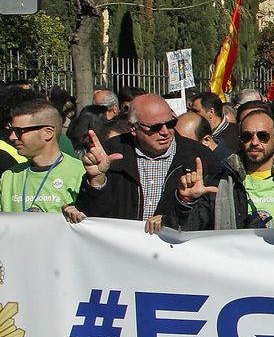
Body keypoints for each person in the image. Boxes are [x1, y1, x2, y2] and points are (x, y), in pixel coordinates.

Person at [77, 93, 225, 233]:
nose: (165, 132)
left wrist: (175, 214)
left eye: (171, 123)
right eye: (155, 127)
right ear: (132, 128)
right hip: (121, 252)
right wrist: (96, 182)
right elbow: (92, 217)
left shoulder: (199, 157)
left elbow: (212, 220)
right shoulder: (110, 153)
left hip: (172, 253)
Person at [0, 95, 85, 215]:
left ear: (48, 133)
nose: (12, 137)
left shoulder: (81, 173)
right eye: (12, 131)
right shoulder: (9, 176)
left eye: (19, 131)